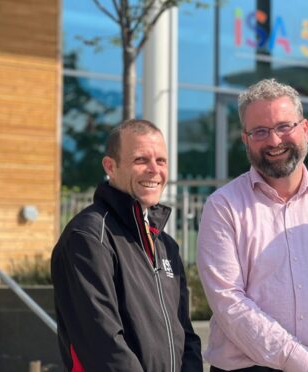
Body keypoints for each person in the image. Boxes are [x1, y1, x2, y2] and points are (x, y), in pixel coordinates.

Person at [197, 78, 308, 372]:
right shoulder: (223, 207)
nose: (274, 141)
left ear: (304, 129)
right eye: (260, 132)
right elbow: (228, 302)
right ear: (245, 139)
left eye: (284, 127)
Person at [51, 119, 202, 371]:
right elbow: (102, 342)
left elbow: (185, 334)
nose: (154, 170)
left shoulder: (166, 245)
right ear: (110, 166)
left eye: (161, 161)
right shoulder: (88, 236)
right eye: (141, 160)